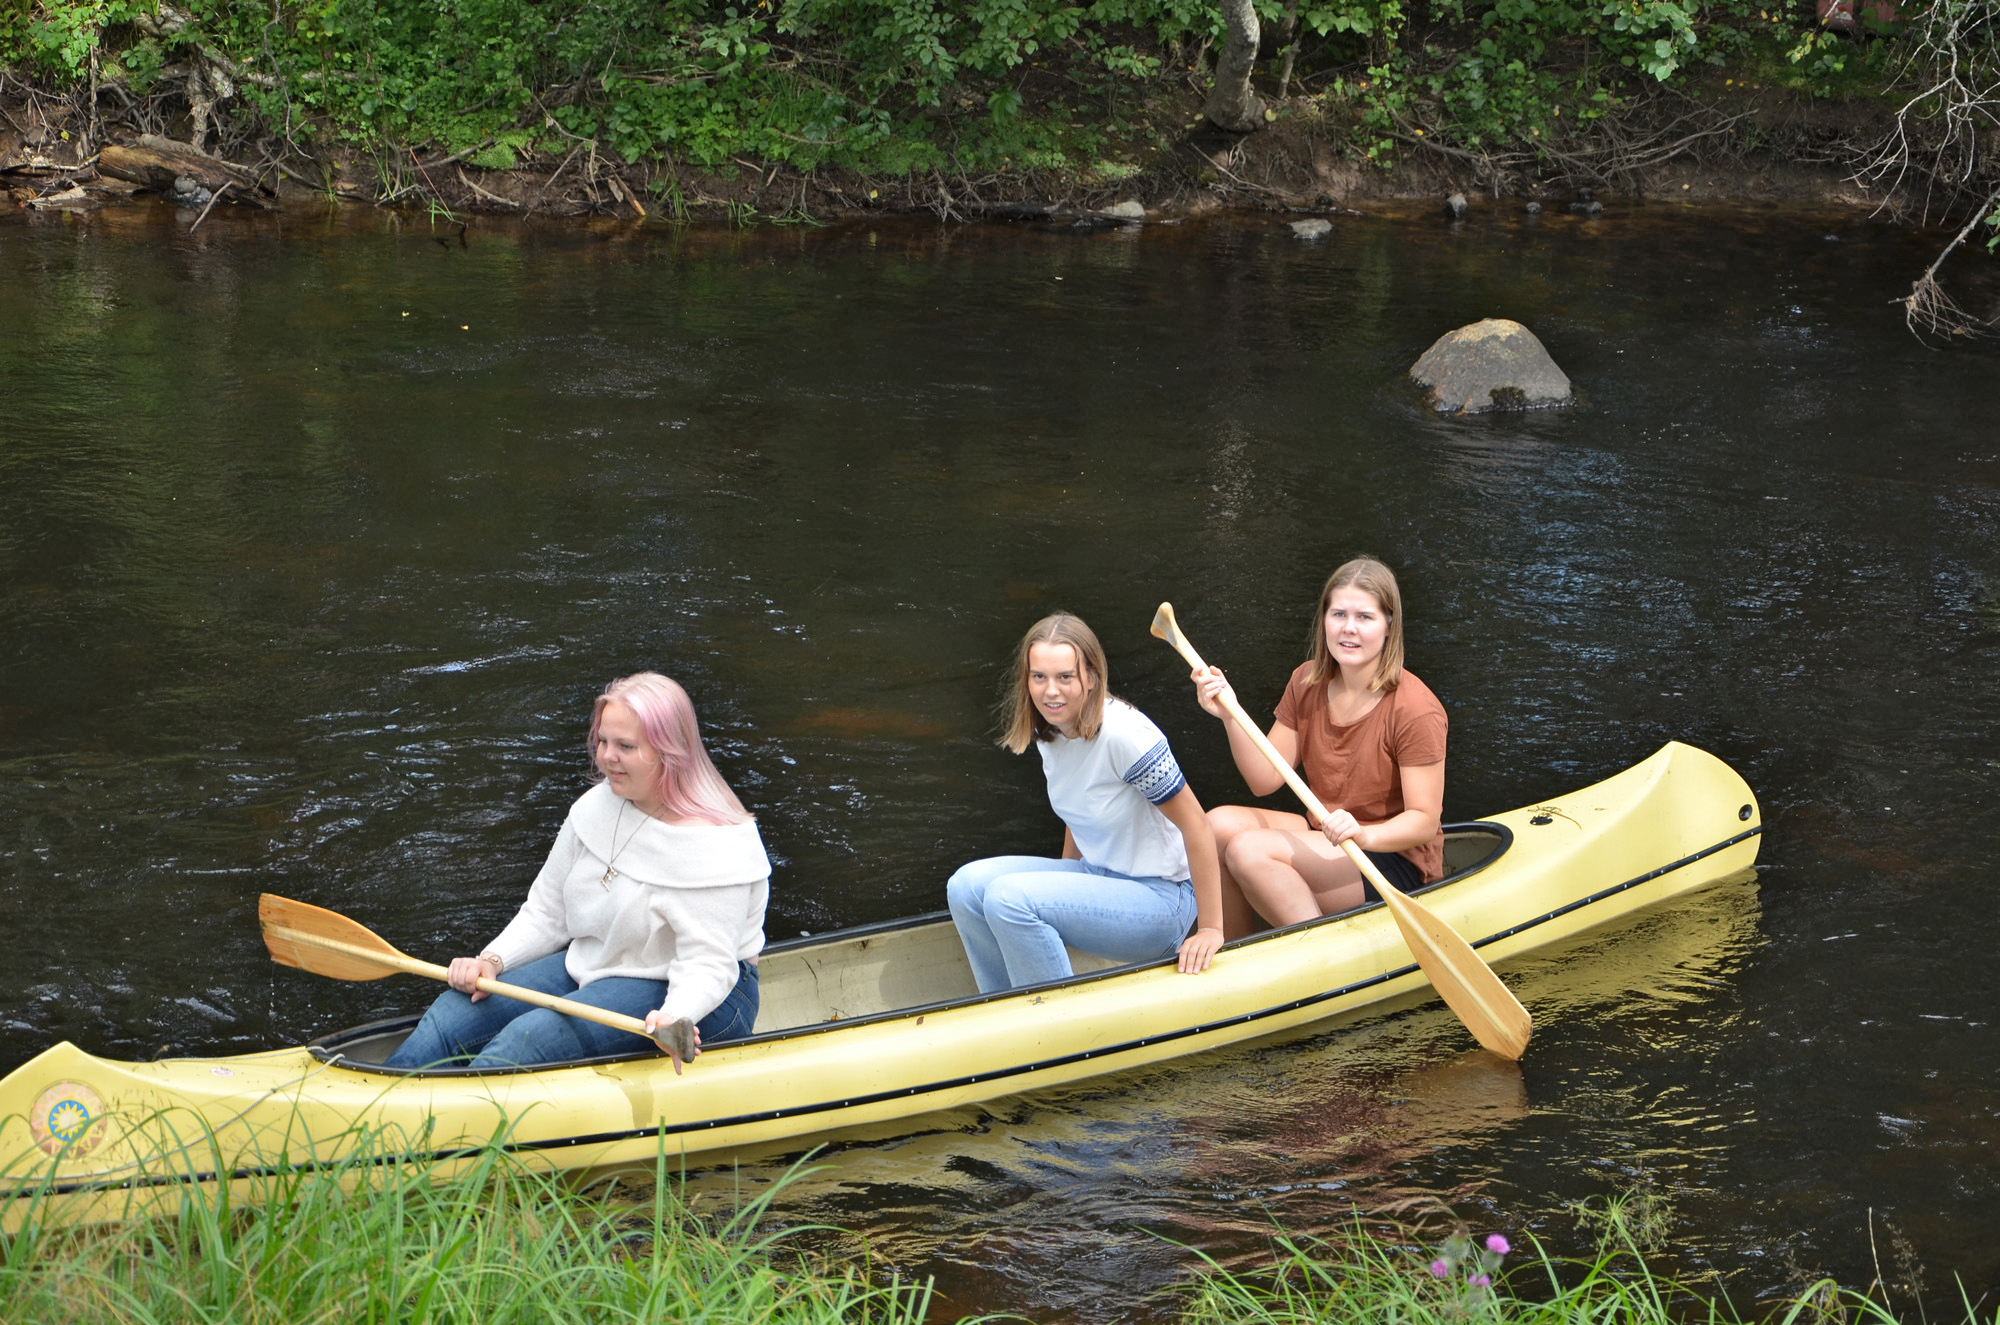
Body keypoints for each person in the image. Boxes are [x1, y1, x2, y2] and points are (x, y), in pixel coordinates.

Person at [385, 672, 767, 1072]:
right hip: (600, 961)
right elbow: (548, 910)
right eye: (603, 741)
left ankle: (459, 1129)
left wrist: (675, 1015)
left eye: (625, 746)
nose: (606, 757)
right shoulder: (595, 807)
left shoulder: (718, 844)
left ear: (670, 751)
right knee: (454, 1015)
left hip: (703, 998)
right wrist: (493, 961)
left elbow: (708, 964)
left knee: (525, 1042)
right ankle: (380, 1108)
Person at [947, 613, 1224, 993]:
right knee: (965, 887)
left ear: (1091, 678)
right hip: (1098, 876)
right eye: (1039, 676)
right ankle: (1001, 1007)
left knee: (1009, 899)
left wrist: (1210, 928)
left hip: (1162, 901)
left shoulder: (1125, 735)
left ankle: (1054, 1022)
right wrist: (1059, 892)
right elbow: (1079, 810)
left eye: (1065, 676)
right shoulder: (1052, 731)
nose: (1050, 691)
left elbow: (1197, 825)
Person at [1190, 558, 1447, 939]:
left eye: (1365, 617)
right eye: (1338, 613)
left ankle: (1321, 952)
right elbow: (1264, 780)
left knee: (1249, 850)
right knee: (1216, 827)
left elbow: (1424, 821)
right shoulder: (1307, 681)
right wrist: (1231, 714)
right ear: (1324, 619)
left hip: (1389, 857)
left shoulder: (1415, 709)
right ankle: (1231, 948)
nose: (1348, 628)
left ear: (1389, 627)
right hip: (1329, 834)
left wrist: (1364, 835)